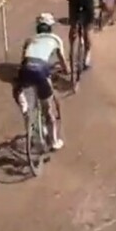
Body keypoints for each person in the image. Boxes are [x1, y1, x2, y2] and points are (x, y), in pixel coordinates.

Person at [13, 12, 70, 150]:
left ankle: (25, 110)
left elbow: (23, 60)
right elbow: (62, 60)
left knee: (17, 90)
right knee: (48, 110)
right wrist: (67, 71)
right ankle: (54, 142)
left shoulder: (29, 40)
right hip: (41, 71)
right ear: (50, 28)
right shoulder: (56, 39)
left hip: (26, 68)